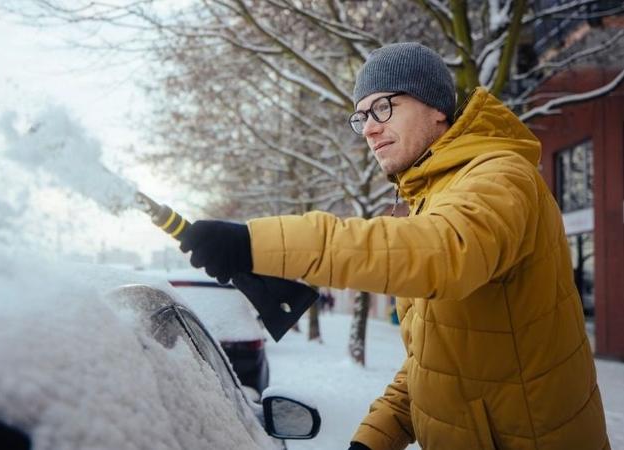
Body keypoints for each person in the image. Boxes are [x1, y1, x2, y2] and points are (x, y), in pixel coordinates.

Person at [178, 42, 609, 450]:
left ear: (436, 107)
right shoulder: (433, 199)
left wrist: (255, 243)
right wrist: (375, 437)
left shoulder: (500, 176)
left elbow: (444, 253)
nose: (369, 128)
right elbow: (435, 360)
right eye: (361, 116)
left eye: (383, 107)